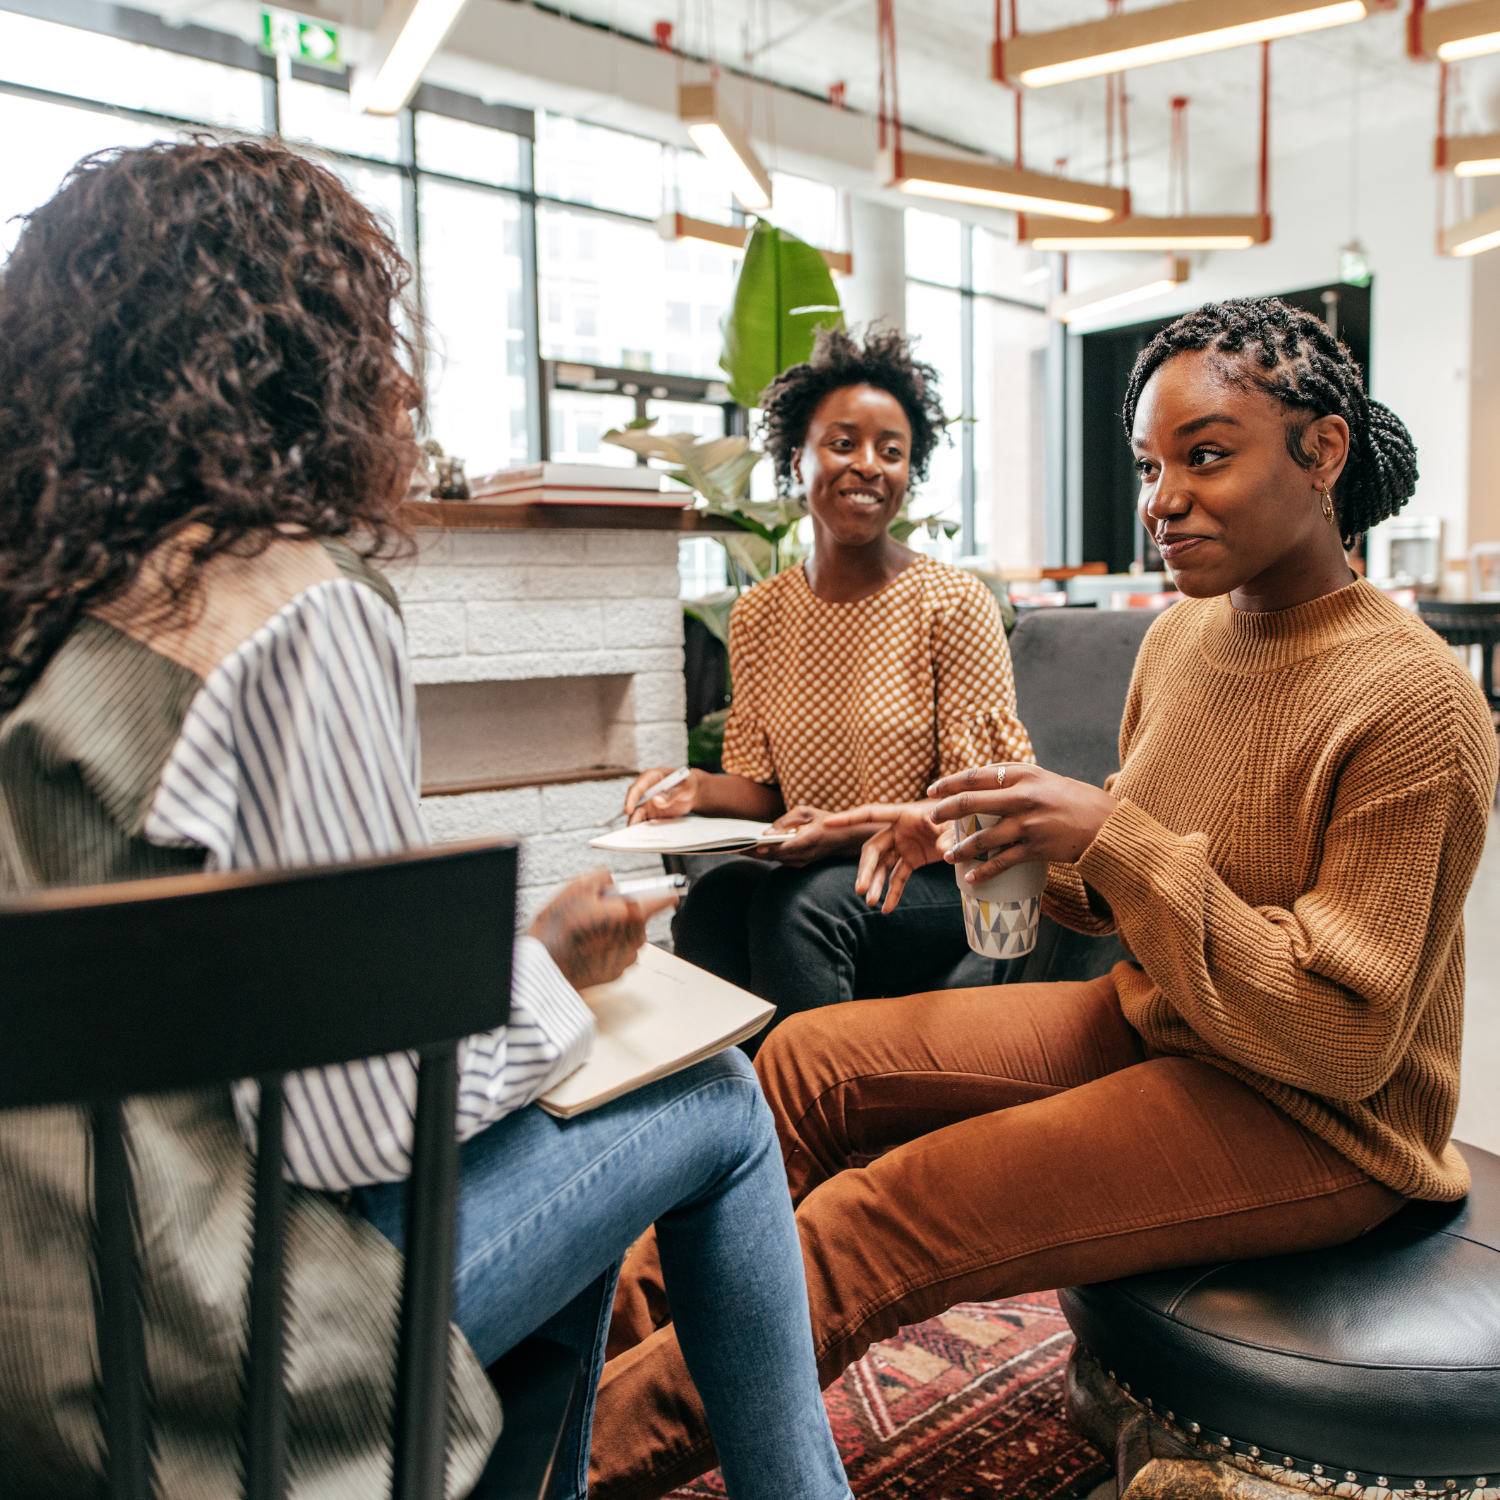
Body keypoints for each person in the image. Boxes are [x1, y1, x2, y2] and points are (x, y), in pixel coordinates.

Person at [0, 140, 850, 1500]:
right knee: (710, 1094)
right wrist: (555, 989)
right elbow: (357, 1127)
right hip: (212, 1370)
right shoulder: (283, 602)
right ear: (313, 348)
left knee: (553, 1152)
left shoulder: (39, 610)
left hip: (31, 1354)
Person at [587, 297, 1498, 1500]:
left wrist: (1113, 838)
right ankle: (551, 1361)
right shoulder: (1181, 641)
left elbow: (1340, 1036)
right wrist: (1002, 834)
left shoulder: (1418, 701)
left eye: (1206, 456)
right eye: (1150, 465)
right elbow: (1102, 901)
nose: (1161, 499)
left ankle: (550, 1466)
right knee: (800, 1066)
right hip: (1162, 1018)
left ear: (1320, 452)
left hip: (1324, 1118)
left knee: (879, 1217)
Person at [625, 328, 1032, 1042]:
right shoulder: (760, 612)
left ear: (910, 471)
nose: (867, 466)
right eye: (843, 443)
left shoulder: (953, 602)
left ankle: (815, 1138)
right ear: (797, 459)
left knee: (802, 908)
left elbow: (982, 805)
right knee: (717, 896)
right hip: (826, 859)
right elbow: (764, 791)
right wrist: (693, 789)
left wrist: (839, 830)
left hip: (940, 870)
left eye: (892, 450)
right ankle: (738, 1116)